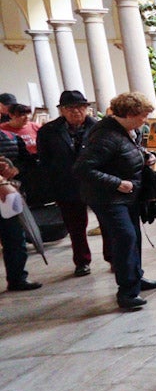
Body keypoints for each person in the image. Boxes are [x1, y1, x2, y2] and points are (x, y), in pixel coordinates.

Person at [73, 92, 156, 309]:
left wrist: (147, 157)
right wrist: (117, 183)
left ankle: (136, 278)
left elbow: (129, 153)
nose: (145, 120)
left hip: (127, 195)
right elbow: (83, 168)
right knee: (125, 238)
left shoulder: (128, 130)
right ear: (130, 114)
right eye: (143, 115)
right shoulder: (105, 135)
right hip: (107, 198)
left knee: (134, 236)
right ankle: (127, 292)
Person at [37, 91, 100, 277]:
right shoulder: (48, 131)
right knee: (75, 226)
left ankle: (113, 258)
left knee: (108, 223)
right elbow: (45, 161)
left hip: (97, 183)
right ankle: (82, 261)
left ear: (87, 108)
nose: (76, 112)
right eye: (70, 108)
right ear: (61, 110)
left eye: (81, 107)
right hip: (67, 185)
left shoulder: (98, 127)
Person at [0, 139, 40, 291]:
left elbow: (25, 162)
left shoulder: (9, 137)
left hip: (6, 198)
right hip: (4, 190)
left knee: (15, 237)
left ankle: (17, 278)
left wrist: (11, 168)